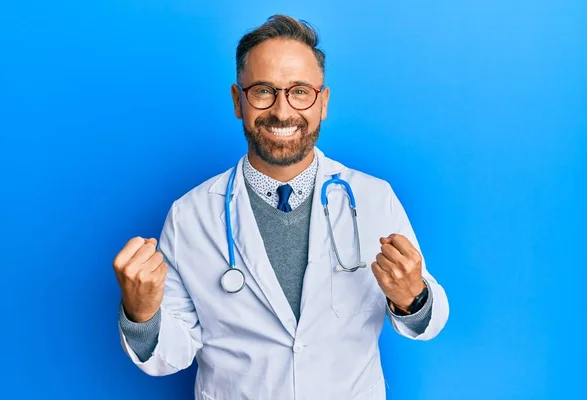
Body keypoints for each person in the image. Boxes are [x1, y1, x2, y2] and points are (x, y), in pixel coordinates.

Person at [113, 14, 449, 400]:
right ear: (238, 101)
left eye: (300, 91)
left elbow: (429, 321)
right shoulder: (191, 215)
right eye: (263, 91)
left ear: (322, 103)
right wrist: (141, 314)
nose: (283, 111)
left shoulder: (373, 198)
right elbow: (169, 357)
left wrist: (413, 297)